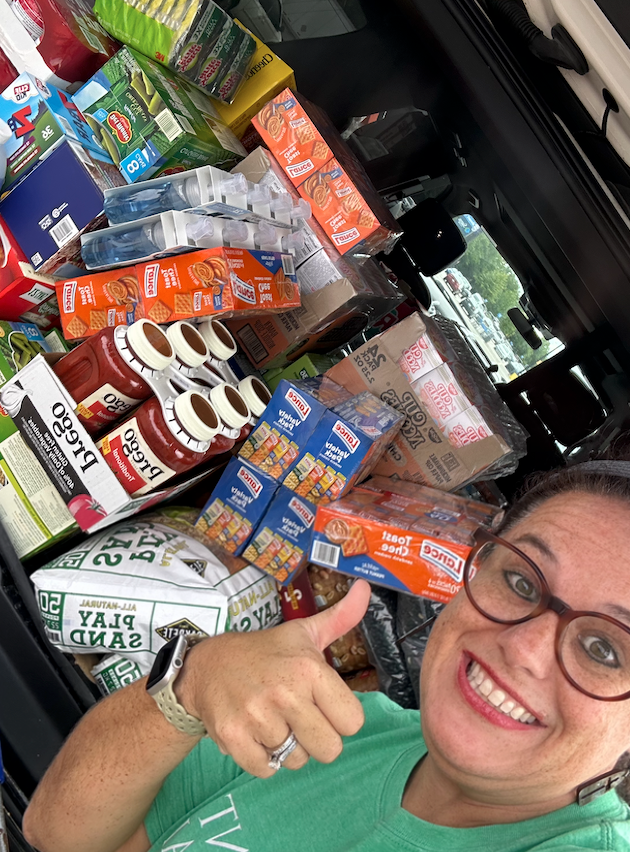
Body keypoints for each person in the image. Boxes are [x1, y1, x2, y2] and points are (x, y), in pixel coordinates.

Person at [23, 459, 630, 852]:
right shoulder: (343, 728)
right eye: (521, 581)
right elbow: (60, 834)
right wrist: (190, 685)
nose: (524, 648)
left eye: (604, 649)